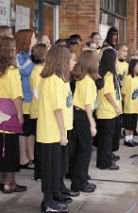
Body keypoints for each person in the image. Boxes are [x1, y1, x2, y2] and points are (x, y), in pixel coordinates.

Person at [37, 46, 71, 213]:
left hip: (46, 131)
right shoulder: (56, 81)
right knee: (51, 170)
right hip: (52, 132)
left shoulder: (46, 78)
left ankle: (49, 200)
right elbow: (58, 110)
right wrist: (63, 133)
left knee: (50, 169)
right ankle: (48, 203)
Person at [0, 37, 27, 193]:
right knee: (9, 148)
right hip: (8, 112)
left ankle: (2, 180)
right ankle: (9, 183)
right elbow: (16, 96)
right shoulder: (12, 72)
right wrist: (20, 115)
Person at [71, 50, 99, 193]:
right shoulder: (88, 81)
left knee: (79, 150)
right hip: (83, 117)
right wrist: (92, 123)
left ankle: (79, 179)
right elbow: (88, 105)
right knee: (85, 151)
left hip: (77, 115)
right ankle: (79, 183)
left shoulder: (81, 78)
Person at [96, 47, 121, 170]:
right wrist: (116, 107)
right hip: (107, 111)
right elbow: (107, 93)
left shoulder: (104, 73)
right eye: (115, 60)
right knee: (106, 139)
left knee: (105, 139)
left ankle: (104, 159)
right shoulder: (108, 75)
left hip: (105, 111)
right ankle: (105, 162)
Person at [15, 29, 37, 170]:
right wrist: (33, 56)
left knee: (31, 131)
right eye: (33, 38)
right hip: (24, 100)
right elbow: (23, 70)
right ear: (26, 40)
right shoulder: (19, 56)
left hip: (33, 99)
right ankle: (23, 158)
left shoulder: (30, 55)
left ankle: (31, 156)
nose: (35, 40)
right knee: (23, 131)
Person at [29, 43, 48, 181]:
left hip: (42, 111)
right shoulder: (37, 71)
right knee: (40, 144)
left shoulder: (41, 69)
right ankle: (40, 172)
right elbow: (37, 93)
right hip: (39, 112)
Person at [121, 59, 138, 147]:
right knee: (128, 123)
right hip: (129, 105)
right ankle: (127, 139)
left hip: (136, 105)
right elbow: (123, 93)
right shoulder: (128, 78)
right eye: (137, 65)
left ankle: (131, 138)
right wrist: (125, 102)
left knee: (133, 122)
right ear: (132, 66)